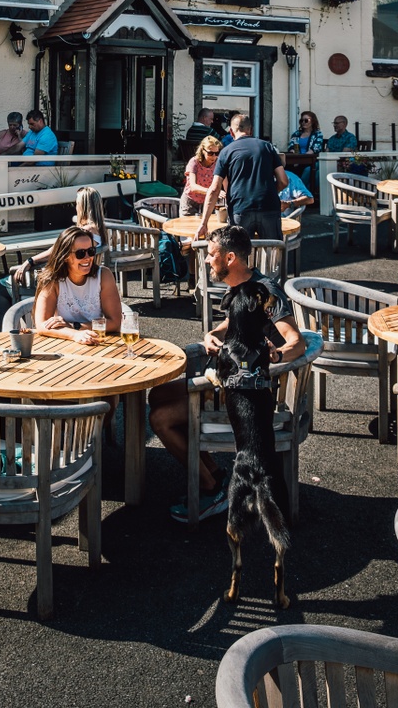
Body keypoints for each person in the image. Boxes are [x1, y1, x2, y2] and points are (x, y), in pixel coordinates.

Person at [149, 225, 304, 522]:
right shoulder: (243, 286)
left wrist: (275, 356)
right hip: (220, 381)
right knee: (157, 395)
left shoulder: (265, 292)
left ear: (230, 258)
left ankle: (209, 488)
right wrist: (212, 334)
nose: (206, 261)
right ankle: (217, 475)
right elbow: (231, 322)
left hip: (238, 392)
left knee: (160, 419)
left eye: (211, 255)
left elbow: (296, 340)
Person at [196, 114, 287, 240]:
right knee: (273, 253)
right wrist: (269, 192)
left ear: (231, 132)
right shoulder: (267, 147)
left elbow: (214, 189)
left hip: (240, 209)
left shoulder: (226, 152)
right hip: (268, 207)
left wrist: (203, 223)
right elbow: (283, 181)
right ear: (251, 130)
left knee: (239, 254)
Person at [32, 224, 122, 342]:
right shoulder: (52, 280)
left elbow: (115, 322)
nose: (87, 257)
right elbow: (41, 325)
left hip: (97, 342)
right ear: (65, 256)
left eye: (91, 251)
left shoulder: (104, 275)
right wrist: (74, 335)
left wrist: (75, 327)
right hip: (62, 344)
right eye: (80, 253)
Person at [12, 186, 107, 287]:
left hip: (62, 280)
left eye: (77, 203)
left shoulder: (84, 232)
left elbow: (55, 252)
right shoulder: (100, 229)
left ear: (82, 206)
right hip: (83, 278)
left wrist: (29, 261)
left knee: (1, 287)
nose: (76, 207)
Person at [179, 136, 222, 216]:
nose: (213, 156)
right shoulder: (194, 162)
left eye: (216, 153)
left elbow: (225, 182)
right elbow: (193, 186)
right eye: (210, 153)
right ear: (203, 150)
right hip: (190, 202)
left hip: (208, 201)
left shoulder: (218, 162)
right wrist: (211, 191)